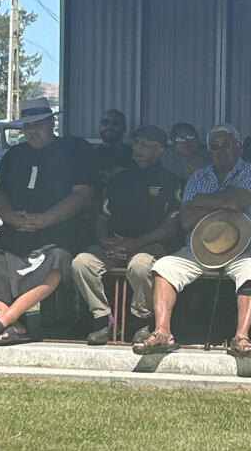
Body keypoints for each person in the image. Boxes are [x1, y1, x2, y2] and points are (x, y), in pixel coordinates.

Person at [0, 98, 94, 346]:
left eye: (38, 124)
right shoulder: (15, 155)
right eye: (27, 126)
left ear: (51, 122)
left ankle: (5, 319)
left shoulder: (73, 150)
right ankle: (14, 323)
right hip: (17, 229)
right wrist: (9, 216)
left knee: (58, 260)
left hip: (60, 231)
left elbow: (82, 195)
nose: (32, 131)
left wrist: (46, 219)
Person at [133, 123, 251, 357]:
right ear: (208, 150)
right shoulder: (198, 176)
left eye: (227, 145)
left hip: (242, 247)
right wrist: (222, 202)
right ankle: (162, 333)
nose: (220, 150)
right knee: (164, 266)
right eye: (214, 146)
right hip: (199, 249)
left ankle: (241, 338)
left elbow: (238, 201)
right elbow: (186, 221)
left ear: (239, 148)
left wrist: (201, 200)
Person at [72, 125, 183, 345]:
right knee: (81, 262)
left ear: (158, 150)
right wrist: (104, 241)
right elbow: (103, 217)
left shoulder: (172, 181)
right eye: (136, 143)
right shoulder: (119, 179)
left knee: (140, 267)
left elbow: (170, 228)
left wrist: (135, 244)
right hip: (116, 244)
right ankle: (104, 319)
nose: (136, 149)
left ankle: (142, 321)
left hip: (150, 246)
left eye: (143, 145)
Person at [92, 109, 135, 189]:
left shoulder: (134, 157)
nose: (109, 127)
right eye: (105, 122)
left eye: (115, 123)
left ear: (124, 128)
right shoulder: (89, 155)